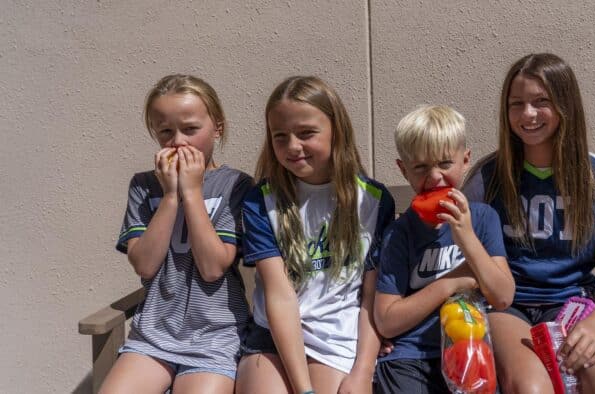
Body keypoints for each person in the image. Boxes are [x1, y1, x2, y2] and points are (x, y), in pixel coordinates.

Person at [463, 53, 595, 393]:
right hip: (508, 306)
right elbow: (461, 256)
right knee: (532, 389)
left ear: (564, 105)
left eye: (540, 102)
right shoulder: (488, 178)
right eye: (517, 104)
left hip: (573, 306)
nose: (527, 114)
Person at [236, 76, 395, 394]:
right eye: (280, 136)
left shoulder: (374, 201)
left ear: (337, 129)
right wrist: (304, 390)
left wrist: (363, 371)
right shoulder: (261, 201)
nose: (293, 146)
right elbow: (279, 297)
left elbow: (370, 295)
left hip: (338, 332)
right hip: (273, 334)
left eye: (306, 133)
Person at [100, 74, 252, 393]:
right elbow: (144, 265)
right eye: (166, 131)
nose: (178, 142)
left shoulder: (235, 185)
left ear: (217, 128)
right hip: (153, 335)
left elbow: (213, 268)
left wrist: (192, 193)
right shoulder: (144, 186)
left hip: (215, 335)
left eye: (191, 129)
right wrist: (170, 197)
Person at [373, 105, 514, 394]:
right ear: (403, 170)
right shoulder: (399, 234)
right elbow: (387, 321)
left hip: (472, 347)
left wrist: (466, 238)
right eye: (421, 167)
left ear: (465, 160)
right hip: (411, 356)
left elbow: (502, 296)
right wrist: (454, 280)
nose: (435, 177)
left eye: (445, 164)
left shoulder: (484, 219)